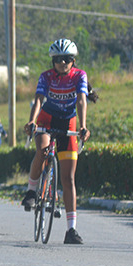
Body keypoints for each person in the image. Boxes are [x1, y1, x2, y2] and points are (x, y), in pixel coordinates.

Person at [20, 38, 91, 245]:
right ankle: (32, 191)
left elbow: (81, 100)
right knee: (42, 152)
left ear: (73, 60)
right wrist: (32, 121)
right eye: (58, 59)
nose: (62, 63)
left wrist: (83, 126)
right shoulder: (46, 77)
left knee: (68, 179)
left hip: (69, 122)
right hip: (46, 119)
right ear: (53, 61)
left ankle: (71, 230)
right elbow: (39, 100)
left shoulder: (80, 76)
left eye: (67, 59)